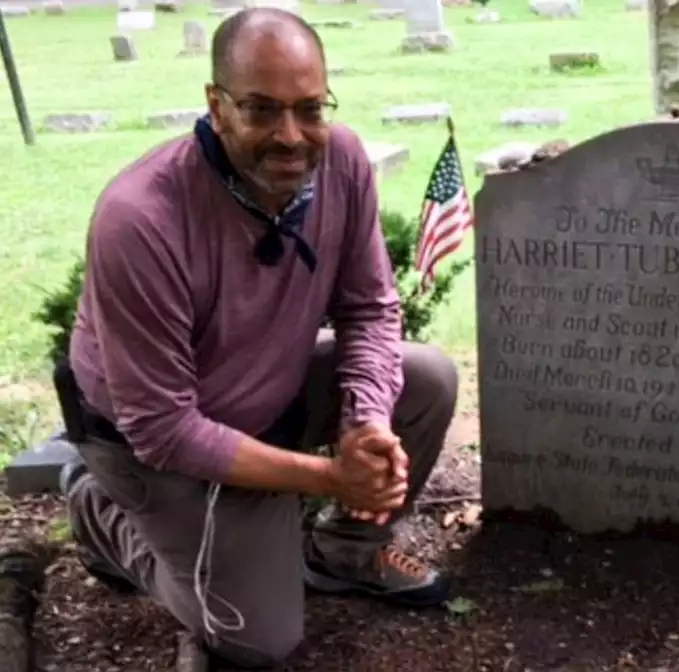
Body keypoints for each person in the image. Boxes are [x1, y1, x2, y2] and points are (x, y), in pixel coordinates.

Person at [59, 8, 458, 668]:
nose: (291, 136)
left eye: (309, 108)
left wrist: (363, 425)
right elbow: (163, 427)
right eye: (261, 109)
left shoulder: (345, 164)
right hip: (150, 442)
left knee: (427, 381)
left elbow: (369, 310)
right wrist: (330, 477)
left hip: (267, 395)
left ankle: (346, 554)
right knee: (255, 637)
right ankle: (100, 513)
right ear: (216, 106)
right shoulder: (140, 219)